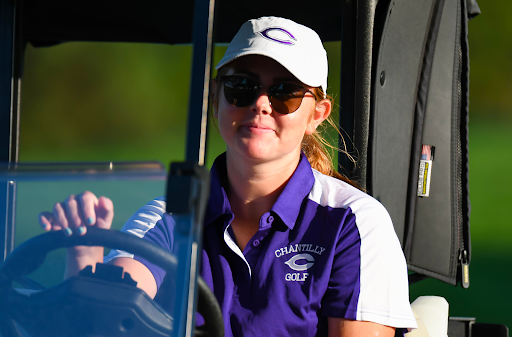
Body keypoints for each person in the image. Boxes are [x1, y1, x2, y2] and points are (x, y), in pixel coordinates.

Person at [39, 17, 417, 336]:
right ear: (216, 97)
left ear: (316, 114)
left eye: (284, 93)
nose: (261, 104)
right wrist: (85, 260)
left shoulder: (354, 222)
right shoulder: (172, 214)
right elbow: (109, 317)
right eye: (242, 88)